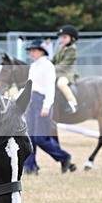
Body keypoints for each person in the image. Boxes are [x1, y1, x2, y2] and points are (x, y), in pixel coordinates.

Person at [23, 39, 75, 176]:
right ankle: (30, 167)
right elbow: (29, 86)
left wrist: (46, 105)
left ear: (41, 51)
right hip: (31, 102)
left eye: (34, 50)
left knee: (41, 138)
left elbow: (49, 87)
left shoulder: (47, 66)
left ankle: (64, 157)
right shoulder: (33, 66)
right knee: (29, 138)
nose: (31, 53)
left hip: (42, 102)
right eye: (31, 51)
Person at [52, 24, 79, 114]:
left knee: (61, 84)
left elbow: (64, 65)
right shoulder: (60, 47)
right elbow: (53, 60)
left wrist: (50, 69)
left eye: (64, 37)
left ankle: (73, 104)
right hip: (56, 72)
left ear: (72, 38)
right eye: (61, 37)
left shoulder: (72, 49)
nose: (62, 39)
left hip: (66, 73)